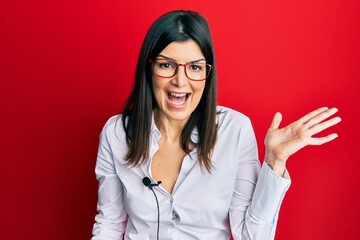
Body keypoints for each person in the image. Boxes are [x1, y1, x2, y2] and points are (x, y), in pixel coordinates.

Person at [91, 10, 341, 240]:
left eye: (195, 68)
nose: (180, 81)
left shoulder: (236, 130)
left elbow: (251, 236)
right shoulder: (116, 133)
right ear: (150, 69)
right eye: (166, 65)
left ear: (207, 75)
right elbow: (110, 224)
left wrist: (275, 161)